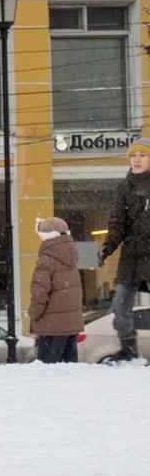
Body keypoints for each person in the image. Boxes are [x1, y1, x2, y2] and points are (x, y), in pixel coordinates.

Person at [98, 137, 150, 362]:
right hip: (131, 256)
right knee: (120, 306)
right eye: (133, 156)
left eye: (142, 155)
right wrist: (107, 247)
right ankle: (128, 351)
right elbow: (117, 222)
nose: (136, 160)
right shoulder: (124, 187)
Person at [29, 217, 84, 364]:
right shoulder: (71, 261)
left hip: (52, 327)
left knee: (48, 373)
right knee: (69, 373)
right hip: (71, 326)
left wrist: (33, 314)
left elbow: (39, 295)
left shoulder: (46, 261)